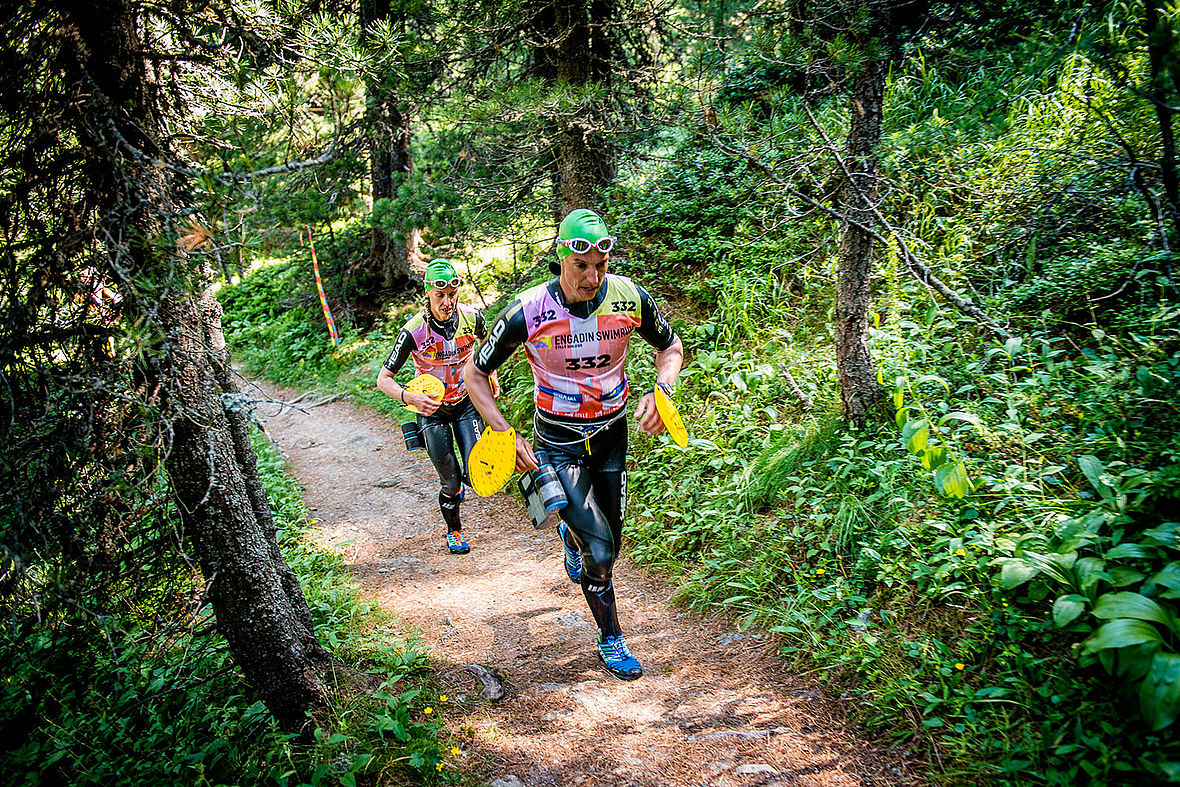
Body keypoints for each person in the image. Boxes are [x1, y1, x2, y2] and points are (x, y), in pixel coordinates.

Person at [463, 208, 684, 680]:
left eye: (601, 265)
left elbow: (670, 347)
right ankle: (611, 637)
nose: (592, 276)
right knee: (600, 555)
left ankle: (571, 532)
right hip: (557, 441)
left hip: (611, 436)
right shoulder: (526, 311)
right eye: (581, 265)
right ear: (561, 257)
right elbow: (474, 374)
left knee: (613, 540)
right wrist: (503, 430)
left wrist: (661, 391)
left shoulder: (629, 297)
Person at [377, 259, 489, 555]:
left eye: (452, 294)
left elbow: (487, 351)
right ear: (427, 293)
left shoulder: (473, 318)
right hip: (430, 410)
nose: (447, 301)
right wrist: (409, 398)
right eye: (440, 295)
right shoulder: (414, 331)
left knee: (476, 473)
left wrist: (489, 376)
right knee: (450, 483)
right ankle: (454, 532)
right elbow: (383, 379)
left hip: (465, 403)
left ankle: (465, 478)